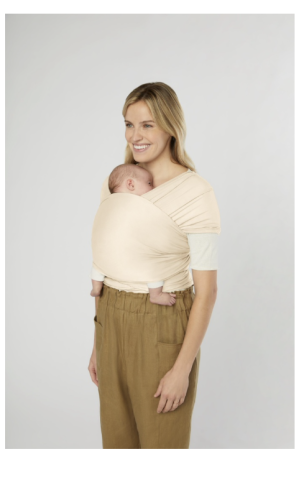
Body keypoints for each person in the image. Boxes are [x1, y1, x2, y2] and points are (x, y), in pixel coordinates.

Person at [88, 82, 221, 449]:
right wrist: (98, 343)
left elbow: (207, 292)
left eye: (147, 125)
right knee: (117, 444)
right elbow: (108, 259)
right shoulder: (117, 183)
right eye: (129, 125)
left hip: (161, 321)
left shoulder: (195, 193)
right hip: (110, 318)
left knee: (162, 447)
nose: (136, 135)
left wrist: (182, 369)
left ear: (171, 127)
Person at [90, 163, 177, 306]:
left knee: (98, 263)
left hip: (107, 260)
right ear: (131, 184)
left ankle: (96, 286)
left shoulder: (109, 204)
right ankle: (156, 294)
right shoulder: (140, 205)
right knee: (154, 265)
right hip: (133, 256)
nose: (153, 188)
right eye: (149, 183)